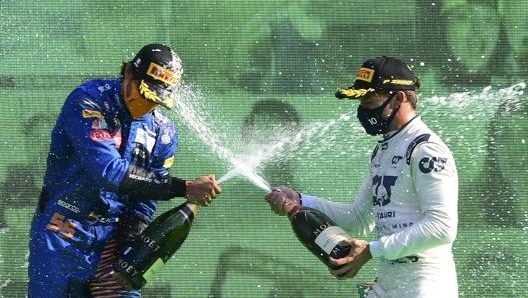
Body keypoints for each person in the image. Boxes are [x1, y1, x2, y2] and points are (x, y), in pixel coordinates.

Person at [28, 43, 222, 298]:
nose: (147, 105)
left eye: (156, 100)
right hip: (61, 234)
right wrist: (184, 188)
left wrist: (131, 246)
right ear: (129, 72)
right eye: (144, 94)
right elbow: (109, 171)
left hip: (112, 241)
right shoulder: (89, 99)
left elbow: (143, 203)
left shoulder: (164, 133)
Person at [265, 56, 459, 298]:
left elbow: (442, 228)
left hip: (424, 285)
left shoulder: (425, 149)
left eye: (368, 99)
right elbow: (359, 219)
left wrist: (371, 250)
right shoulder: (383, 150)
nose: (362, 109)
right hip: (387, 283)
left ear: (399, 97)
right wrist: (301, 200)